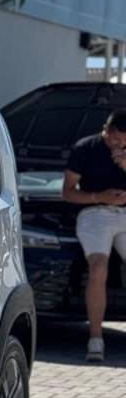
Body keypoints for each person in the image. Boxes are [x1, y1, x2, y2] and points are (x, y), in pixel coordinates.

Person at [62, 107, 126, 361]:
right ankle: (96, 339)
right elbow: (67, 192)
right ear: (107, 130)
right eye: (115, 138)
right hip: (94, 213)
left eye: (123, 142)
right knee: (99, 267)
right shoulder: (85, 148)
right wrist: (100, 197)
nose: (118, 144)